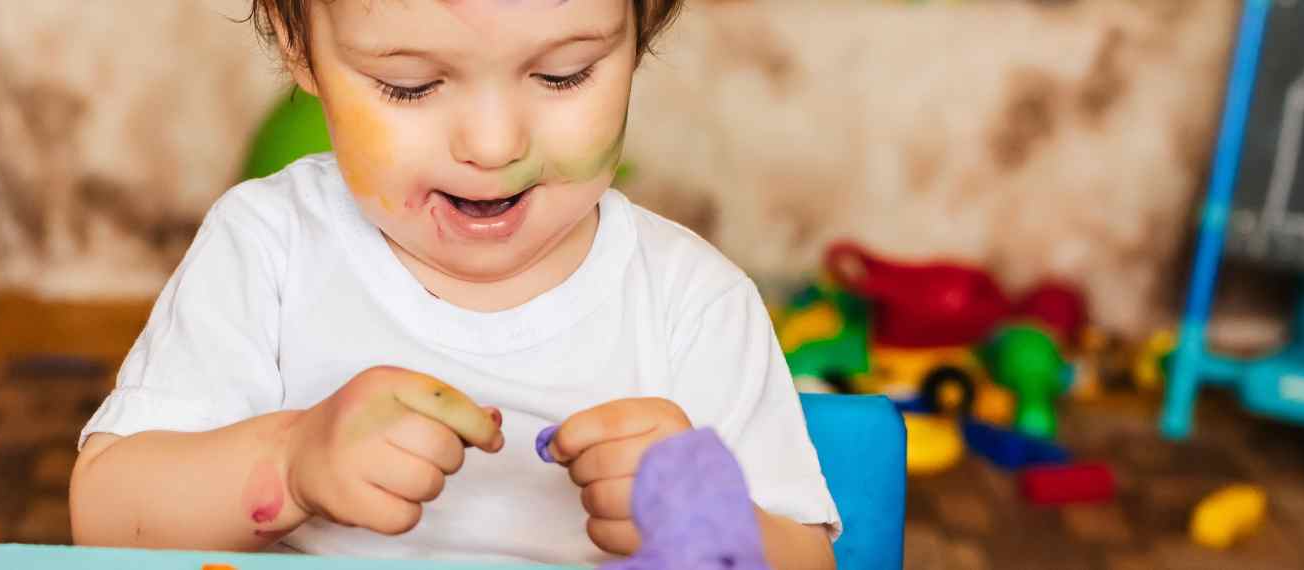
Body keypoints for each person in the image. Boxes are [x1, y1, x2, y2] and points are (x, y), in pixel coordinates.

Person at [70, 1, 838, 567]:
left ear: (643, 29)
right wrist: (291, 460)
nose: (493, 144)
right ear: (296, 41)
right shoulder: (268, 250)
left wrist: (716, 523)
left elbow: (809, 558)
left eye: (564, 74)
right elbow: (104, 519)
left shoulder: (692, 303)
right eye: (409, 85)